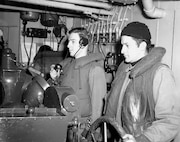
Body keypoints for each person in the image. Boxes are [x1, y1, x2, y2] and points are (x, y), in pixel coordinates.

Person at [104, 21, 180, 142]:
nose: (122, 51)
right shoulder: (124, 69)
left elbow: (169, 121)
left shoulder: (160, 73)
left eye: (127, 45)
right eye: (122, 45)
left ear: (142, 46)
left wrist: (142, 139)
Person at [48, 27, 107, 122]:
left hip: (82, 125)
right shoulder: (67, 65)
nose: (68, 45)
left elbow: (98, 107)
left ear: (83, 43)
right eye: (68, 41)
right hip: (64, 119)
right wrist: (54, 79)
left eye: (73, 41)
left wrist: (91, 130)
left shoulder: (95, 69)